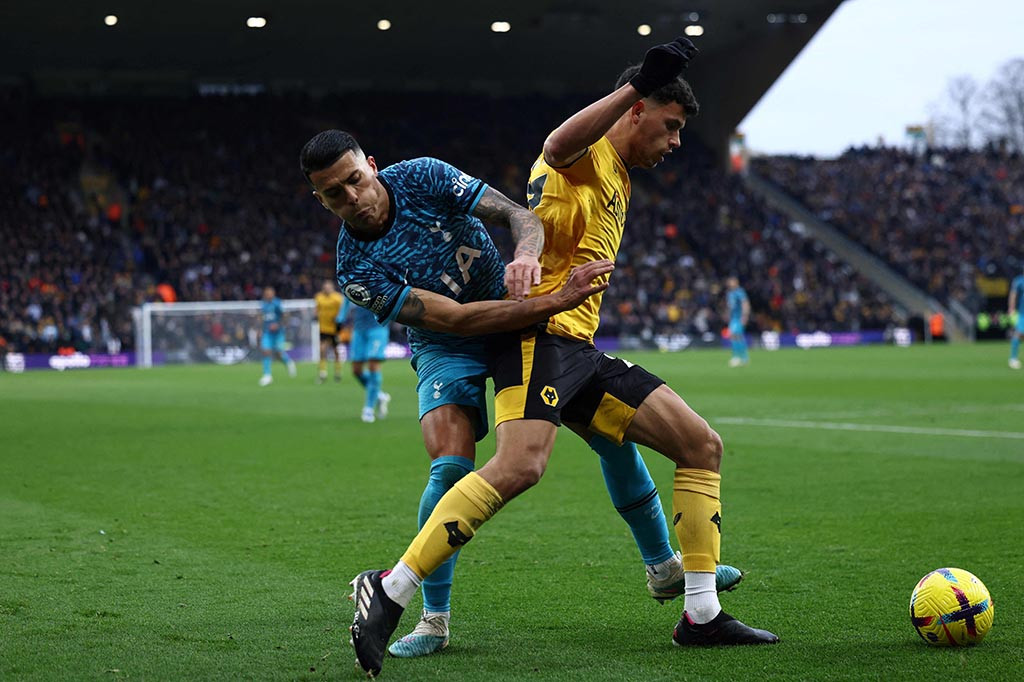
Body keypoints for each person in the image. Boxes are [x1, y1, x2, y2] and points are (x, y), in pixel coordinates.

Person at [348, 36, 777, 677]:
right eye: (671, 125)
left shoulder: (623, 175)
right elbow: (555, 147)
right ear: (637, 111)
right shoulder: (590, 153)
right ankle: (391, 591)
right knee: (518, 467)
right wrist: (636, 85)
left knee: (699, 444)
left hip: (578, 349)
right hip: (537, 340)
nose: (677, 141)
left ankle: (700, 612)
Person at [299, 129, 739, 667]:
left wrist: (526, 260)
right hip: (450, 345)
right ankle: (433, 618)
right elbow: (457, 320)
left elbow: (520, 215)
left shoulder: (422, 175)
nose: (353, 199)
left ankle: (665, 568)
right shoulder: (355, 269)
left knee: (610, 431)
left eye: (355, 181)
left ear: (372, 165)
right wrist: (552, 300)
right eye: (335, 195)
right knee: (449, 469)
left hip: (523, 321)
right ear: (319, 200)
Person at [338, 295, 392, 422]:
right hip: (359, 329)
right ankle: (379, 395)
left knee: (373, 364)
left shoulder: (378, 278)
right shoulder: (353, 278)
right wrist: (340, 319)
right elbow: (346, 299)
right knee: (356, 370)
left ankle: (368, 409)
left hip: (378, 328)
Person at [258, 286, 297, 386]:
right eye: (266, 293)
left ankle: (288, 362)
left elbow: (285, 316)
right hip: (267, 332)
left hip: (278, 333)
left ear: (273, 293)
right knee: (266, 351)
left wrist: (278, 325)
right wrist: (259, 329)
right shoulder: (263, 304)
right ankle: (267, 376)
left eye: (270, 293)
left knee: (278, 354)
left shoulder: (277, 303)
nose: (268, 295)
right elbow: (261, 317)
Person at [314, 280, 345, 384]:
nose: (327, 289)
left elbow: (342, 311)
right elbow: (317, 309)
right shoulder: (319, 297)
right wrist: (315, 316)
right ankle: (323, 372)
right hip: (323, 328)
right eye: (325, 287)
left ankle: (337, 372)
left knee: (336, 350)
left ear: (332, 288)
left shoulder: (337, 298)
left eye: (329, 287)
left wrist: (340, 322)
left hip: (334, 329)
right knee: (322, 349)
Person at [726, 276, 750, 367]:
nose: (730, 283)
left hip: (739, 318)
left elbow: (745, 303)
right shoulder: (729, 293)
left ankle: (740, 357)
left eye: (732, 281)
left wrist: (745, 316)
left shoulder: (739, 292)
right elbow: (730, 306)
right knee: (733, 337)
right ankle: (741, 357)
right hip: (733, 318)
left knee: (737, 336)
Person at [1008, 267, 1024, 369]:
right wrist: (1011, 308)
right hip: (1023, 313)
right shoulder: (1019, 281)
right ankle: (1013, 359)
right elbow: (1013, 295)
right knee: (1019, 333)